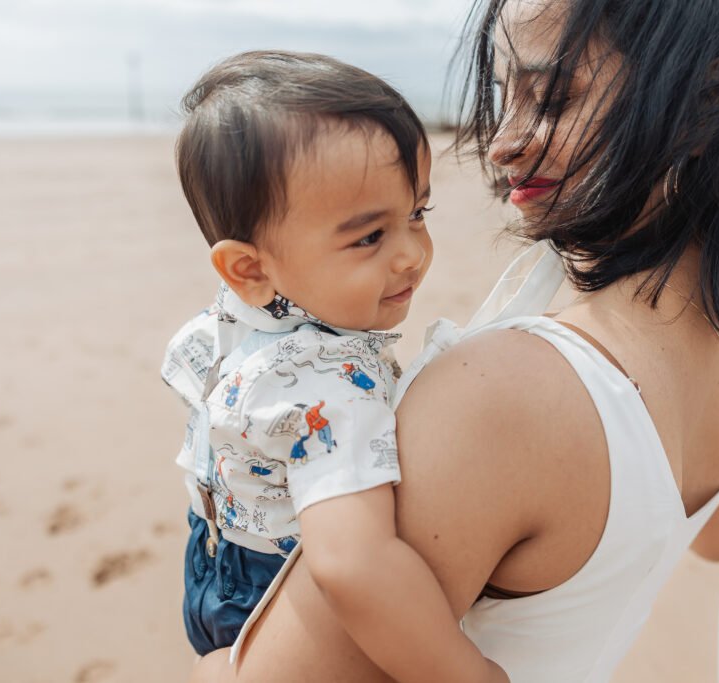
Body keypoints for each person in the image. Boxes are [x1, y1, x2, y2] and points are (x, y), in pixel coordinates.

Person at [189, 0, 719, 680]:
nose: (502, 140)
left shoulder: (500, 399)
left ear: (705, 102)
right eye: (503, 94)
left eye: (555, 96)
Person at [161, 51, 507, 682]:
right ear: (251, 269)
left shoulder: (239, 319)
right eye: (369, 237)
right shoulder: (331, 381)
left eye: (417, 214)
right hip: (276, 596)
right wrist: (467, 673)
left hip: (213, 564)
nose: (411, 255)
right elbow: (355, 565)